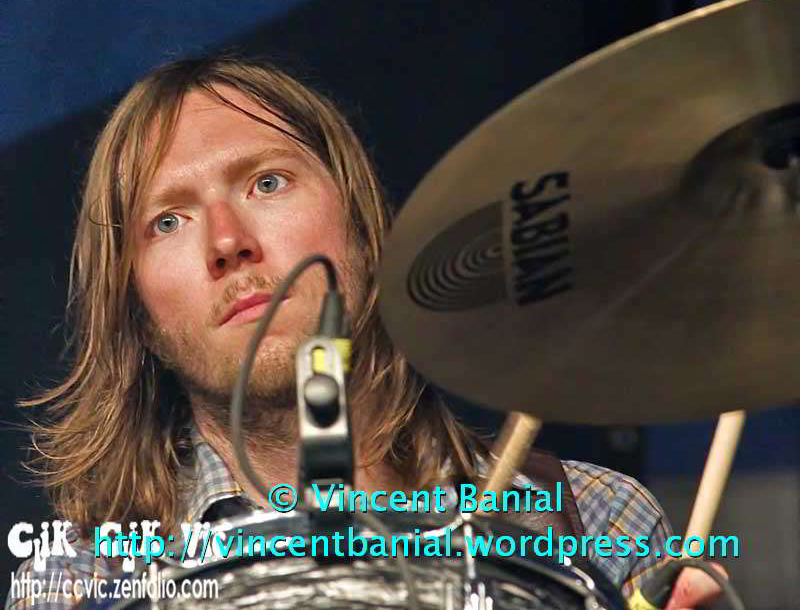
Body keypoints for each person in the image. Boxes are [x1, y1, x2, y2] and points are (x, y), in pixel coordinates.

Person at [5, 55, 724, 609]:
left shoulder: (599, 517)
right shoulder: (81, 576)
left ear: (363, 229)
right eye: (168, 221)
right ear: (140, 319)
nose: (227, 242)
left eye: (266, 183)